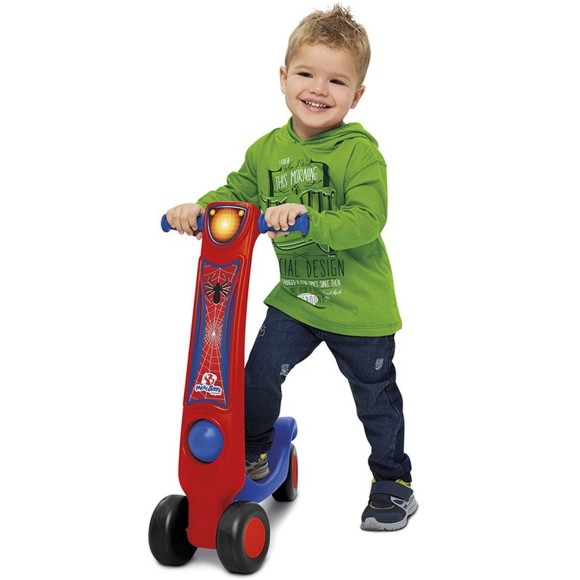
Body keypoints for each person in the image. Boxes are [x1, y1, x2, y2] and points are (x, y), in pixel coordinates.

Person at [165, 4, 417, 532]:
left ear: (357, 95)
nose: (318, 89)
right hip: (298, 299)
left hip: (359, 307)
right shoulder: (267, 152)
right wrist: (197, 210)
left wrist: (309, 218)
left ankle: (392, 481)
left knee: (374, 398)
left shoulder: (359, 154)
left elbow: (367, 220)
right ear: (283, 78)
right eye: (306, 74)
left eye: (336, 81)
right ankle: (254, 450)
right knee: (255, 375)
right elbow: (236, 194)